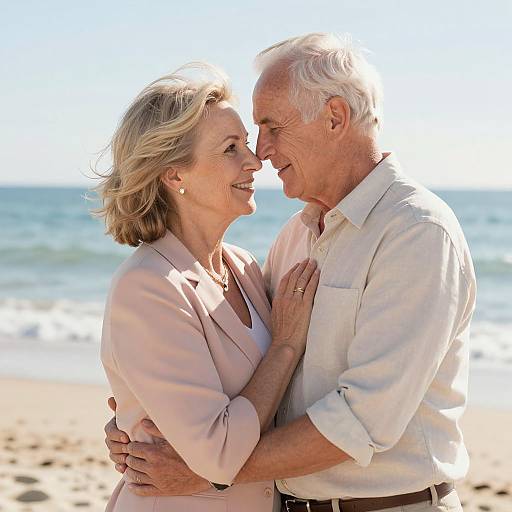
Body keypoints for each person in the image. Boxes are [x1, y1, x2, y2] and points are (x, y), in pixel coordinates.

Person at [105, 34, 476, 512]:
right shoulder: (293, 238)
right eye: (238, 142)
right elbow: (222, 374)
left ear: (335, 118)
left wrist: (208, 468)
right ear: (175, 175)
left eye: (271, 127)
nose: (261, 153)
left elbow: (362, 418)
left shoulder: (416, 233)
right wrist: (138, 419)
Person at [96, 63, 321, 512]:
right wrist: (286, 345)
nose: (255, 162)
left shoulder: (244, 267)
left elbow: (274, 404)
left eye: (248, 146)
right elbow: (219, 451)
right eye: (230, 149)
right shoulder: (147, 287)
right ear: (175, 175)